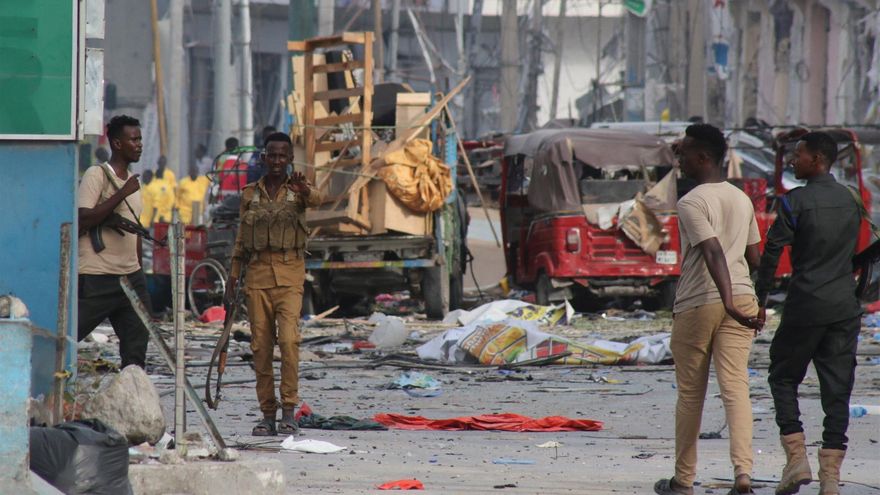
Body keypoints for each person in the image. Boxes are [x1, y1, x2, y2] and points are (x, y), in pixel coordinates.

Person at [654, 124, 764, 495]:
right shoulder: (741, 198)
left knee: (690, 394)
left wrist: (729, 301)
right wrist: (748, 302)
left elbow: (712, 250)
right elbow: (754, 256)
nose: (679, 159)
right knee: (736, 388)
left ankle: (683, 480)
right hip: (742, 298)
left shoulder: (691, 201)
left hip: (701, 300)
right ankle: (743, 475)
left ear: (703, 157)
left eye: (683, 153)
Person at [755, 132, 861, 495]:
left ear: (817, 159)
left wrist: (760, 299)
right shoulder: (851, 198)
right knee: (837, 390)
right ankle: (830, 477)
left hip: (804, 306)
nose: (792, 161)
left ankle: (796, 459)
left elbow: (772, 252)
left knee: (783, 378)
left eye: (798, 156)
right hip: (844, 307)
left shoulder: (793, 202)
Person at [224, 132, 324, 436]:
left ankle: (289, 411)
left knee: (290, 342)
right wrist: (232, 276)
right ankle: (267, 414)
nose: (277, 161)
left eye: (283, 156)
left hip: (290, 274)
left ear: (290, 158)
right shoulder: (250, 194)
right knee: (260, 347)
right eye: (272, 155)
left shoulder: (298, 190)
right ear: (264, 158)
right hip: (257, 277)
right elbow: (242, 238)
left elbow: (318, 200)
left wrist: (303, 188)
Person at [77, 115, 151, 368]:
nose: (140, 144)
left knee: (137, 347)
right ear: (117, 144)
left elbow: (135, 231)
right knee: (68, 336)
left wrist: (139, 270)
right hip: (97, 276)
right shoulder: (96, 175)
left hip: (130, 276)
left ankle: (133, 399)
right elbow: (83, 218)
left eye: (140, 139)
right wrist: (122, 193)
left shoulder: (133, 183)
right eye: (134, 139)